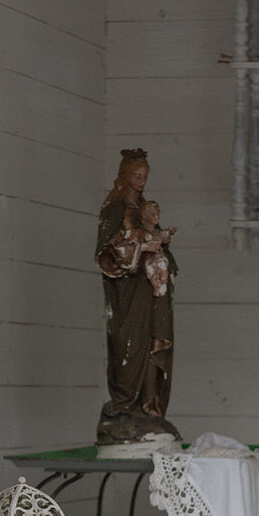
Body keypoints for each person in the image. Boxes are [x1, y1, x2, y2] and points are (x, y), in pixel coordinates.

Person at [95, 148, 181, 445]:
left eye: (145, 176)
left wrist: (159, 245)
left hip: (150, 291)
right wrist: (139, 250)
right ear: (125, 176)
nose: (141, 181)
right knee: (128, 347)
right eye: (136, 176)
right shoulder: (115, 208)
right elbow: (105, 253)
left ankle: (147, 407)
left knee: (150, 345)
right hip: (127, 293)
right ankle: (123, 408)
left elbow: (155, 240)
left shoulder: (146, 207)